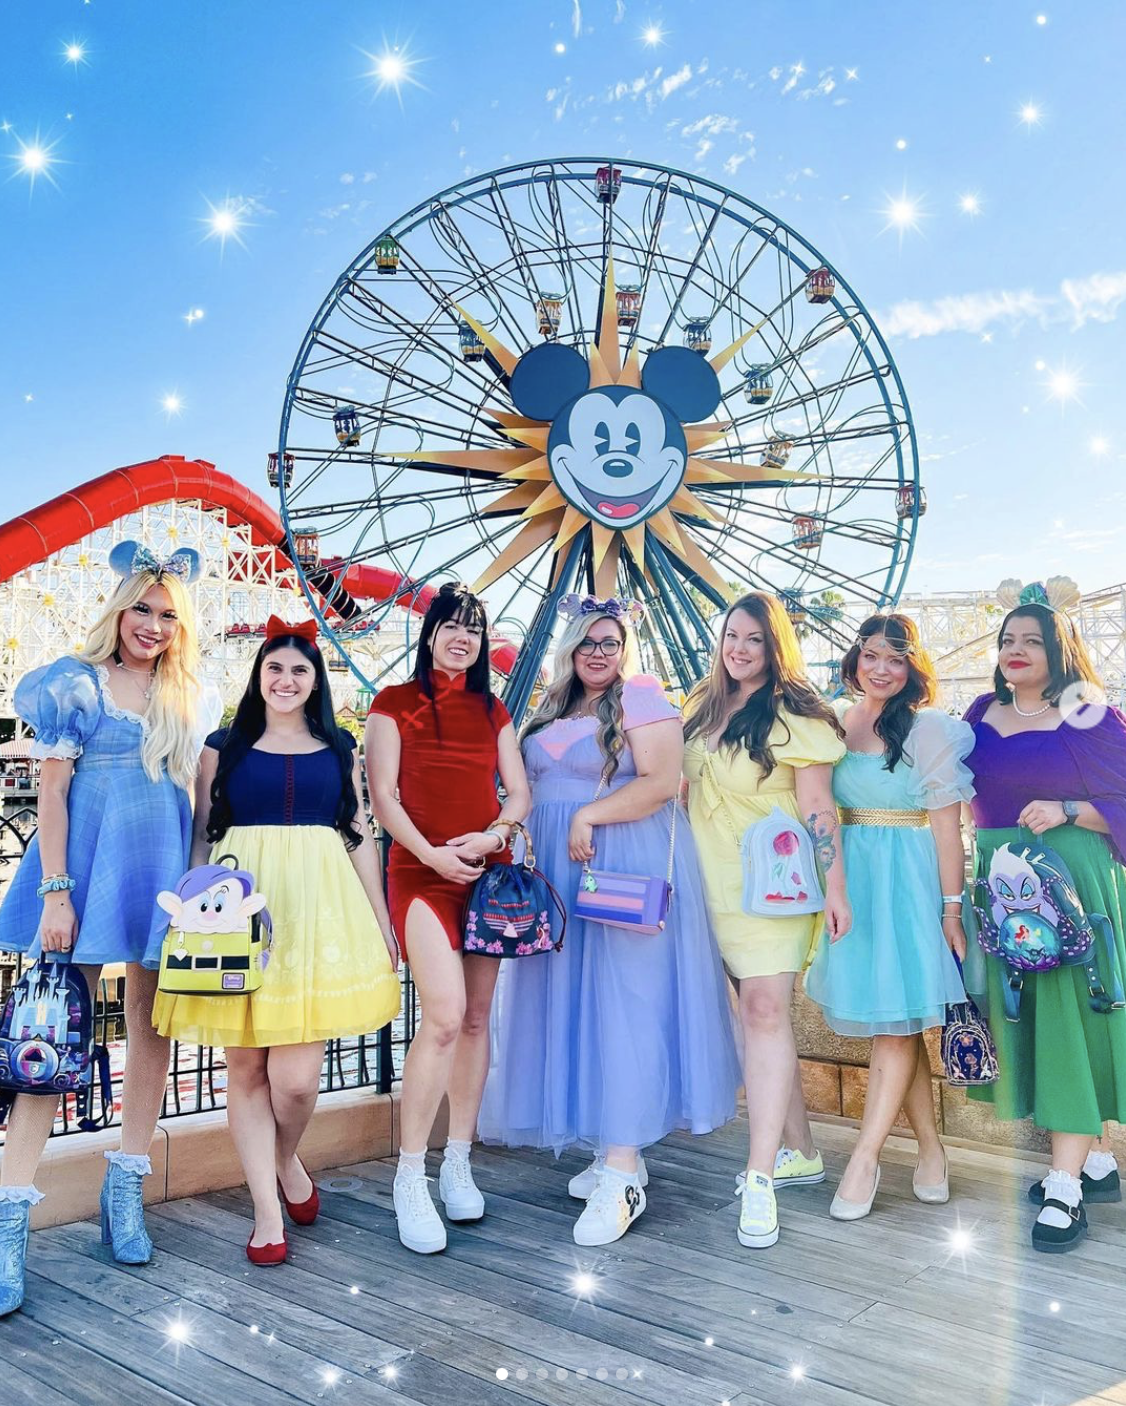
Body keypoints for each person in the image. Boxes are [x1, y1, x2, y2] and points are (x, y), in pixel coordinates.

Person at [479, 594, 739, 1248]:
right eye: (589, 642)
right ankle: (609, 1145)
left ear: (627, 649)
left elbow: (659, 782)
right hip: (561, 875)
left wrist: (588, 818)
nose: (600, 652)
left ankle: (623, 1169)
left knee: (625, 1007)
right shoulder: (552, 707)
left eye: (612, 642)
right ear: (570, 646)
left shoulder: (642, 702)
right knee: (579, 1010)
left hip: (617, 862)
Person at [0, 542, 216, 1316]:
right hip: (88, 874)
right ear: (118, 610)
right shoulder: (77, 684)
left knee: (152, 1033)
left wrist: (195, 892)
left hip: (158, 879)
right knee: (53, 1040)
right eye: (141, 609)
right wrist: (58, 894)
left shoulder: (189, 696)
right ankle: (9, 1221)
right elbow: (51, 797)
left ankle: (123, 1191)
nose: (152, 626)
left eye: (166, 615)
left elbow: (198, 809)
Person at [153, 616, 400, 1264]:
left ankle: (287, 1161)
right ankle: (268, 1211)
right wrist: (190, 913)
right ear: (258, 677)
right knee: (246, 1068)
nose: (286, 679)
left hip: (316, 912)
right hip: (237, 913)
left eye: (298, 669)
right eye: (275, 668)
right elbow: (205, 835)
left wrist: (380, 917)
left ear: (314, 680)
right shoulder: (221, 745)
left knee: (295, 1081)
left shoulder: (337, 746)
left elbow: (358, 833)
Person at [365, 583, 531, 1255]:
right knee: (441, 1016)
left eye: (474, 628)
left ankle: (458, 1157)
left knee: (473, 1017)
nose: (462, 637)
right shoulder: (393, 705)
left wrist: (492, 838)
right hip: (420, 874)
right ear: (429, 632)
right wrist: (432, 853)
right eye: (451, 626)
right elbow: (383, 797)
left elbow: (518, 792)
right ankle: (411, 1175)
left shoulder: (493, 710)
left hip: (483, 876)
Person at [962, 577, 1126, 1253]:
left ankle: (1064, 1189)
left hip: (1068, 882)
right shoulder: (976, 711)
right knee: (1032, 1021)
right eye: (1008, 640)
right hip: (1003, 888)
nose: (1016, 650)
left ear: (1060, 649)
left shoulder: (1086, 709)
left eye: (1033, 639)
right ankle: (1094, 1160)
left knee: (1070, 1021)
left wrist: (1066, 810)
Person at [682, 592, 850, 1250]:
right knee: (746, 1020)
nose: (740, 649)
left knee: (762, 1014)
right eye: (732, 636)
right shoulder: (700, 707)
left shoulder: (794, 715)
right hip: (707, 884)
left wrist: (835, 888)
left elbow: (819, 810)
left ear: (774, 645)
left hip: (772, 890)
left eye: (754, 639)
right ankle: (801, 1152)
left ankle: (758, 1177)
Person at [804, 614, 972, 1219]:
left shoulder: (929, 731)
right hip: (855, 882)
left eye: (895, 659)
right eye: (871, 655)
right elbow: (816, 804)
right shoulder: (831, 719)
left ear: (911, 669)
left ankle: (865, 1157)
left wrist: (951, 910)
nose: (881, 668)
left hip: (909, 881)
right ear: (855, 659)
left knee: (895, 1027)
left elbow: (950, 833)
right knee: (893, 1021)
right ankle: (930, 1148)